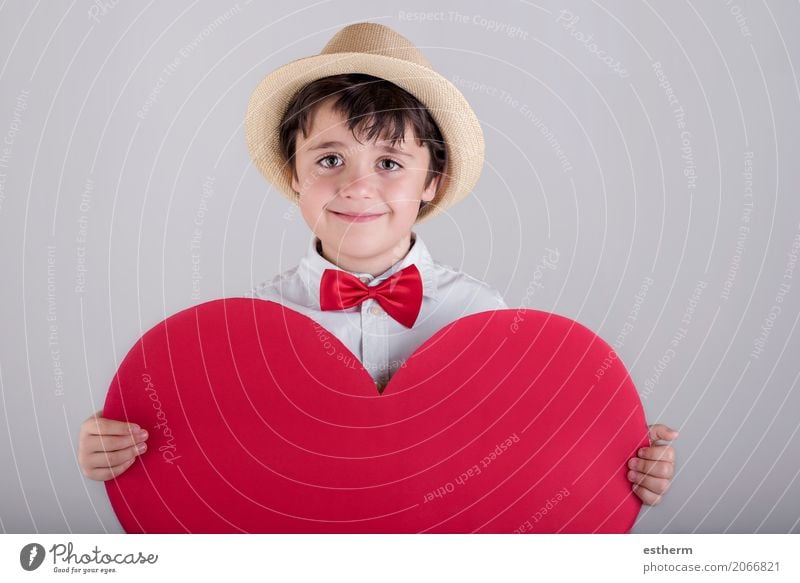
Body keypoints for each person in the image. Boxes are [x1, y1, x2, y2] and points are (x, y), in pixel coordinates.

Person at [78, 22, 677, 507]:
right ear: (294, 174)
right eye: (330, 158)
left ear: (431, 183)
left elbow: (529, 459)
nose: (358, 187)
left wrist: (623, 464)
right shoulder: (249, 330)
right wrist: (118, 451)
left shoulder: (487, 321)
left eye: (390, 163)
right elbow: (212, 459)